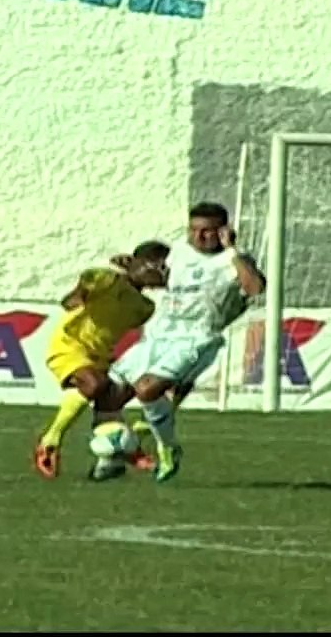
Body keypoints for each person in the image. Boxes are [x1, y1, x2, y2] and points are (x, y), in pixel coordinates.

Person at [105, 202, 266, 482]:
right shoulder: (178, 253)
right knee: (110, 395)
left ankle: (167, 448)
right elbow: (160, 280)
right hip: (160, 334)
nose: (198, 237)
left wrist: (233, 250)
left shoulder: (234, 260)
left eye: (207, 231)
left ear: (223, 232)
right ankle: (113, 455)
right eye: (193, 230)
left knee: (147, 389)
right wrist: (133, 269)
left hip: (198, 338)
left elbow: (255, 288)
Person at [33, 241, 170, 480]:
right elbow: (79, 290)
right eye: (160, 266)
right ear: (141, 263)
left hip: (101, 356)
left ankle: (115, 456)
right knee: (94, 384)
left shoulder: (145, 308)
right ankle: (50, 441)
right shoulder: (106, 279)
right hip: (69, 345)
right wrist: (78, 295)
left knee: (115, 397)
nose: (164, 273)